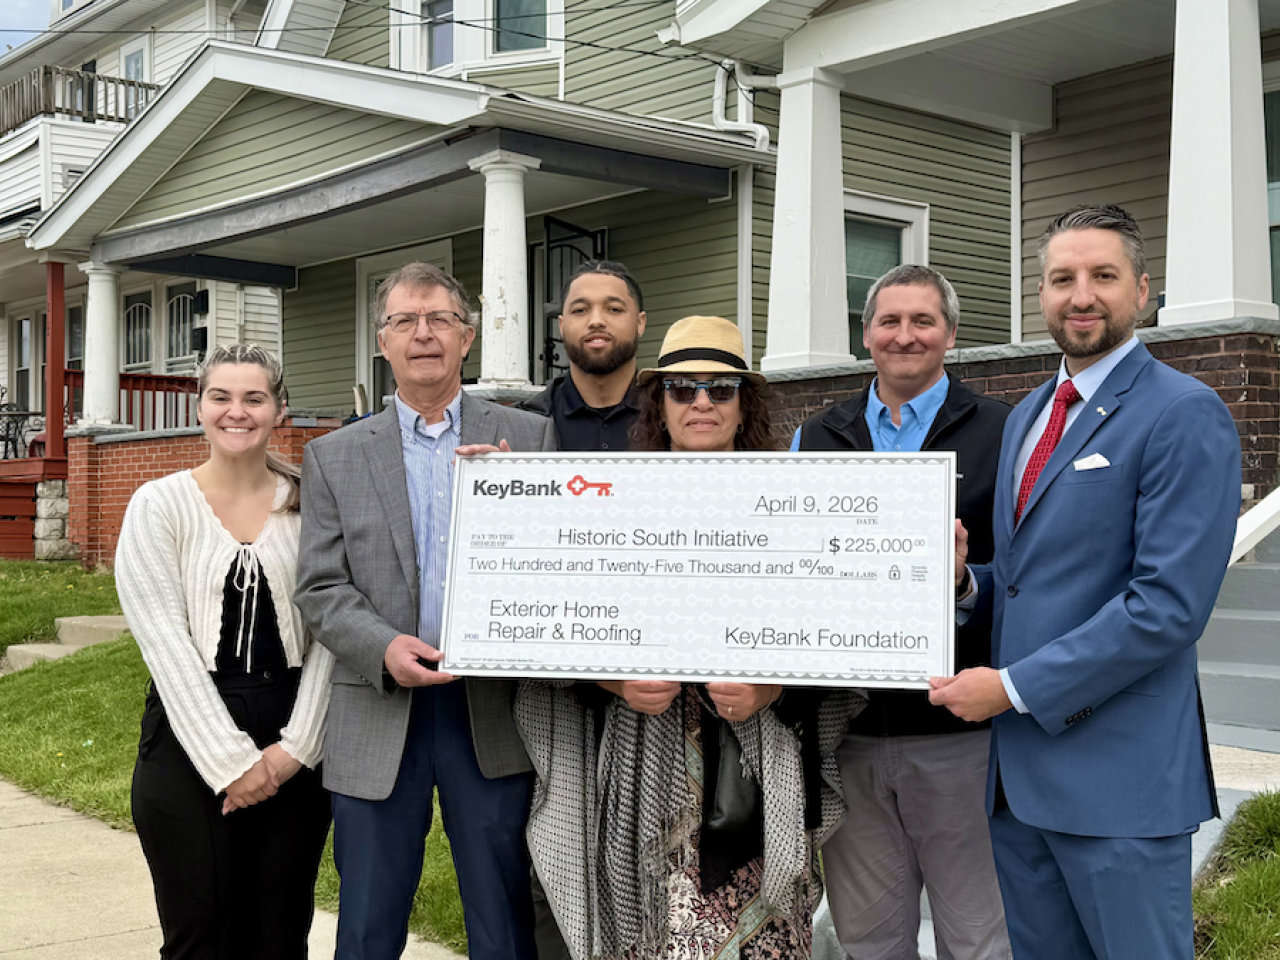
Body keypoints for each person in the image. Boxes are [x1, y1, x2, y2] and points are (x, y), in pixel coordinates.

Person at [929, 204, 1241, 960]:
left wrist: (1011, 688)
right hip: (1019, 786)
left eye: (1103, 276)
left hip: (1119, 786)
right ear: (1040, 295)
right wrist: (970, 582)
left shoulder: (1184, 413)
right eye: (1062, 278)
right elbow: (1035, 582)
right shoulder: (1031, 414)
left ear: (1141, 290)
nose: (1081, 295)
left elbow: (1166, 607)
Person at [517, 315, 861, 960]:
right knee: (656, 939)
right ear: (660, 404)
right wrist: (613, 679)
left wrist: (773, 688)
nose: (701, 401)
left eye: (720, 389)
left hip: (759, 773)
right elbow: (558, 622)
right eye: (683, 389)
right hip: (643, 766)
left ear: (743, 405)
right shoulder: (609, 502)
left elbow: (838, 635)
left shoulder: (797, 502)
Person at [294, 262, 556, 960]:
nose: (423, 334)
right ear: (383, 342)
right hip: (379, 709)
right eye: (405, 321)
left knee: (502, 922)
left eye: (440, 319)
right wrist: (382, 648)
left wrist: (521, 500)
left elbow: (557, 564)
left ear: (466, 337)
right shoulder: (333, 456)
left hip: (490, 712)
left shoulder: (527, 440)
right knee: (368, 926)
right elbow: (319, 585)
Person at [792, 265, 1012, 960]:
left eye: (923, 321)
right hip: (850, 735)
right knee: (870, 944)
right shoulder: (815, 438)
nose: (905, 335)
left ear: (950, 334)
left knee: (980, 942)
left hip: (959, 738)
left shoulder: (1006, 433)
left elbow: (1031, 577)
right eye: (890, 321)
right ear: (866, 334)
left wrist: (964, 583)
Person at [115, 344, 334, 960]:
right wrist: (232, 763)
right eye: (221, 397)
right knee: (199, 938)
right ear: (200, 406)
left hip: (293, 728)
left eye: (254, 398)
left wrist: (296, 752)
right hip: (187, 732)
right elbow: (164, 643)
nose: (237, 412)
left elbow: (332, 633)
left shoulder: (312, 501)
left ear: (279, 409)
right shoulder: (158, 505)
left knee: (280, 936)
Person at [519, 259, 645, 450]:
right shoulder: (523, 424)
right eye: (580, 310)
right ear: (561, 326)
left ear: (640, 323)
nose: (596, 321)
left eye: (614, 309)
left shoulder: (674, 417)